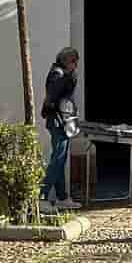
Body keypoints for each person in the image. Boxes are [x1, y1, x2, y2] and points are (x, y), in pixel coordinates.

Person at [39, 47, 80, 213]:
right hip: (58, 122)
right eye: (74, 61)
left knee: (60, 159)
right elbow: (53, 100)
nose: (76, 65)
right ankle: (41, 196)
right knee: (57, 159)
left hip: (62, 121)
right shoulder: (58, 74)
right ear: (66, 61)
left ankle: (62, 197)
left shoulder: (62, 73)